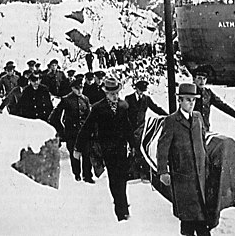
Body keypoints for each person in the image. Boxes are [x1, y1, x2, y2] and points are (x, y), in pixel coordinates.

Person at [74, 77, 135, 222]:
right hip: (107, 150)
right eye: (112, 94)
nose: (115, 96)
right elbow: (86, 128)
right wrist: (78, 147)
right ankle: (121, 210)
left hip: (121, 148)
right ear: (106, 93)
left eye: (117, 93)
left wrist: (133, 145)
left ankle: (122, 204)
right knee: (114, 178)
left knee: (122, 178)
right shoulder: (98, 108)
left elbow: (128, 128)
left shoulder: (123, 106)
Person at [157, 83, 211, 236]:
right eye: (187, 100)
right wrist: (163, 171)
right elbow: (162, 149)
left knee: (200, 215)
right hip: (182, 176)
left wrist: (205, 164)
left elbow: (202, 140)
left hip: (199, 175)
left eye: (193, 100)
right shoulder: (171, 121)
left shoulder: (198, 117)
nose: (191, 103)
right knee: (188, 218)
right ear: (179, 101)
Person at [48, 78, 92, 182]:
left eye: (81, 88)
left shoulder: (85, 99)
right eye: (77, 88)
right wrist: (62, 130)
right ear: (73, 88)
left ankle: (87, 175)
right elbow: (54, 117)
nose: (80, 90)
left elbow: (89, 116)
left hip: (84, 132)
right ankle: (77, 174)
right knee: (74, 154)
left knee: (87, 153)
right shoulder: (66, 100)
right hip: (72, 133)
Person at [125, 80, 168, 180]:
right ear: (136, 89)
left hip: (141, 128)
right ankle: (132, 172)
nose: (141, 93)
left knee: (141, 148)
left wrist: (168, 116)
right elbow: (124, 112)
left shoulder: (146, 99)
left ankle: (141, 172)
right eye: (140, 90)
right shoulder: (129, 98)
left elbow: (155, 108)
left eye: (143, 91)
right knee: (132, 149)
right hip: (131, 127)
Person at [193, 65, 235, 132]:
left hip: (204, 130)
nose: (202, 81)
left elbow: (223, 106)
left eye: (204, 79)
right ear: (194, 79)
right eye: (199, 78)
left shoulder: (208, 94)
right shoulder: (189, 93)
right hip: (190, 131)